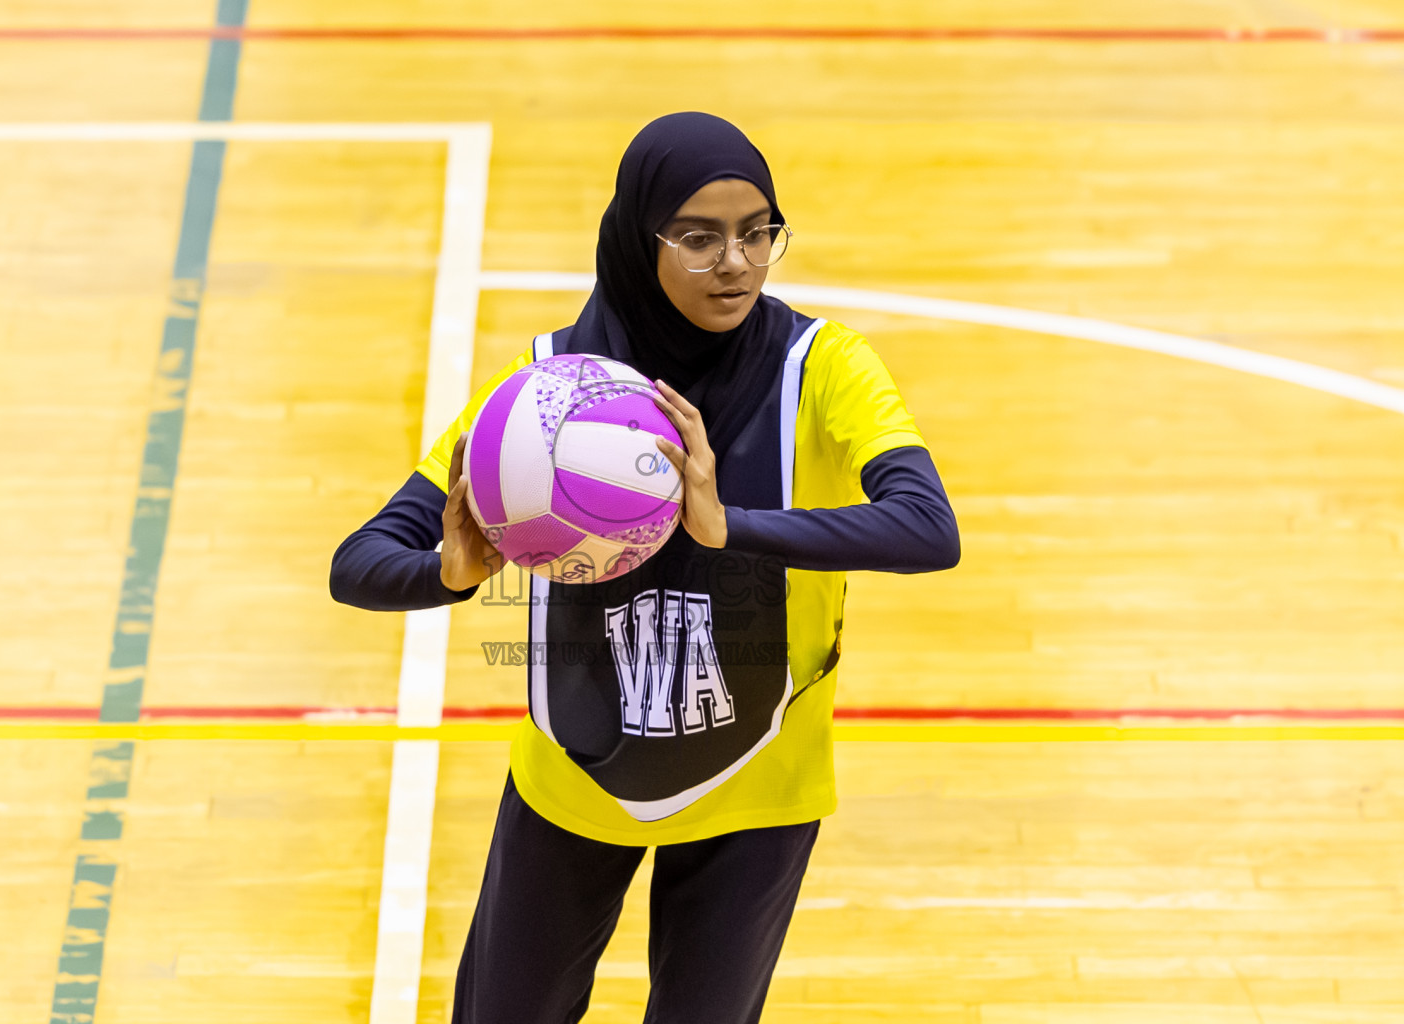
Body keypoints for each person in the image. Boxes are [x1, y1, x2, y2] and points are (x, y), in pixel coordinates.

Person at [331, 111, 960, 1024]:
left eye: (758, 234)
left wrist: (727, 524)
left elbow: (927, 528)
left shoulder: (824, 369)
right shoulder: (546, 391)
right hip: (576, 775)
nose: (736, 263)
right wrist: (454, 571)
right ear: (639, 238)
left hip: (758, 785)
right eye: (700, 238)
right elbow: (361, 561)